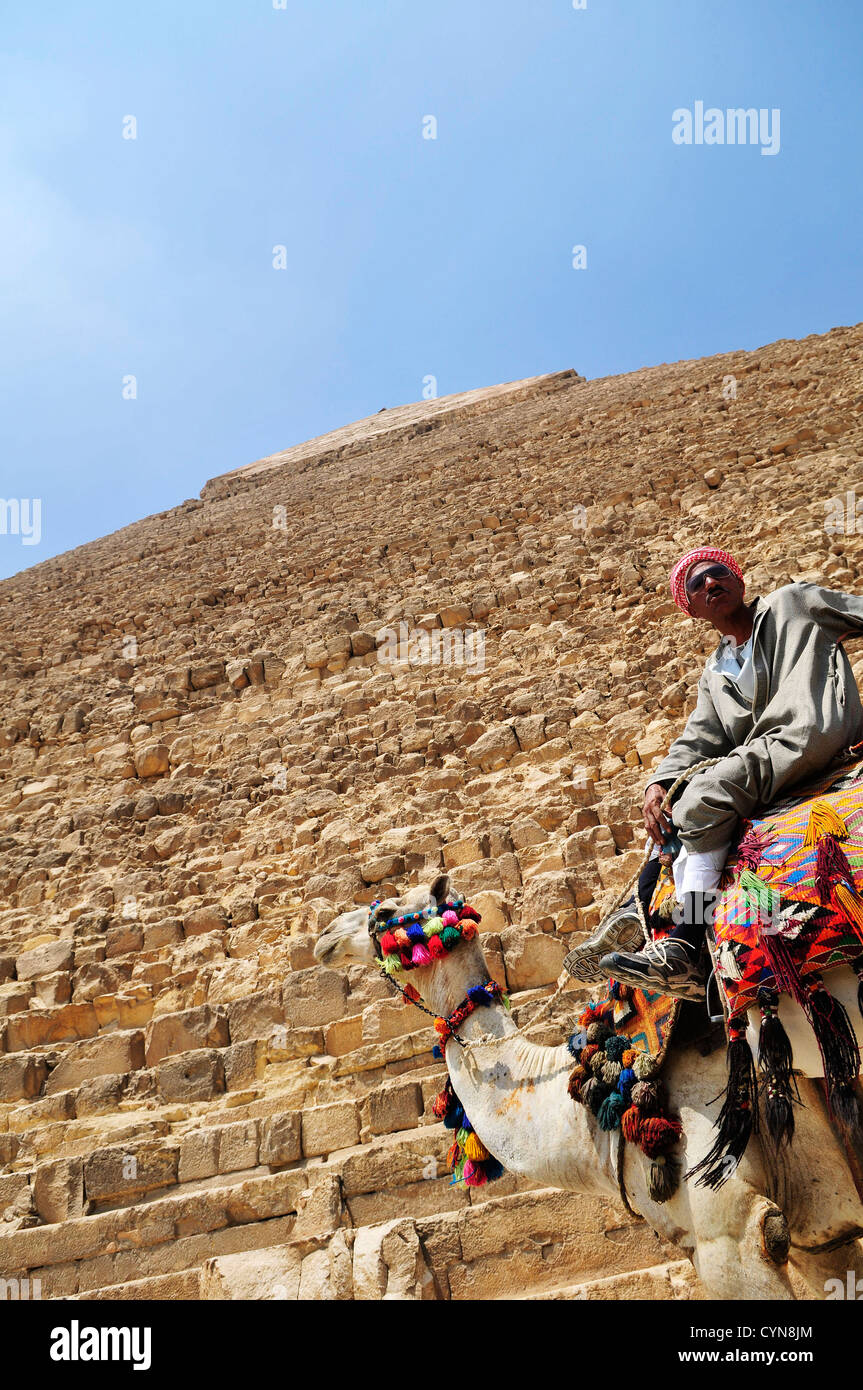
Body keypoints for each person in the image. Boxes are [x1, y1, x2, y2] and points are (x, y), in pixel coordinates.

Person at [597, 546, 863, 998]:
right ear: (693, 609)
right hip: (769, 759)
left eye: (718, 574)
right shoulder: (715, 673)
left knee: (703, 795)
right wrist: (657, 783)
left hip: (810, 732)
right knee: (673, 815)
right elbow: (700, 737)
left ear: (739, 581)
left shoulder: (791, 603)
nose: (710, 584)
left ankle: (686, 942)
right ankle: (645, 915)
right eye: (697, 585)